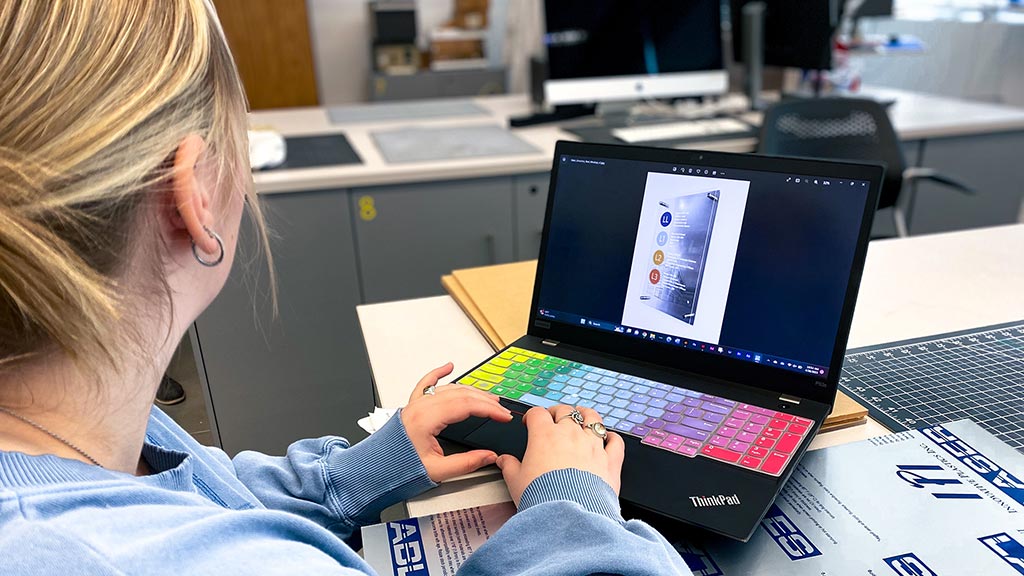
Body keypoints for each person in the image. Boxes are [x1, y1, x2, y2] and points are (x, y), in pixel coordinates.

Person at [0, 2, 691, 574]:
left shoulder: (90, 425)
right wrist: (571, 507)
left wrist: (354, 473)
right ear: (193, 197)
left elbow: (204, 494)